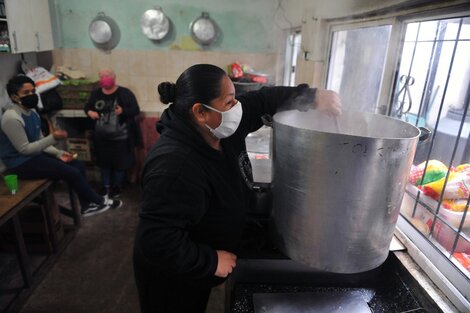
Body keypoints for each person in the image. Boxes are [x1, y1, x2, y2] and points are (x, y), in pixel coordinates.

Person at [133, 64, 342, 313]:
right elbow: (156, 241)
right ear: (200, 112)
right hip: (171, 277)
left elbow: (262, 100)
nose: (237, 108)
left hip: (198, 262)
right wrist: (210, 262)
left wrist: (312, 96)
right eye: (229, 102)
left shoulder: (218, 128)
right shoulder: (174, 167)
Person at [0, 75, 122, 216]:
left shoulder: (32, 113)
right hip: (19, 163)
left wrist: (59, 153)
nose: (32, 95)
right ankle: (100, 201)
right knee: (71, 172)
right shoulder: (11, 118)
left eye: (33, 91)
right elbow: (25, 149)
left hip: (34, 156)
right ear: (15, 97)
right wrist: (53, 138)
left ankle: (86, 206)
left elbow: (39, 141)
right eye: (26, 93)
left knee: (77, 165)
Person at [84, 69, 140, 199]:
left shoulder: (125, 93)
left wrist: (123, 111)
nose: (104, 78)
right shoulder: (95, 94)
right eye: (101, 76)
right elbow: (87, 107)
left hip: (121, 137)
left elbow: (135, 110)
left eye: (107, 76)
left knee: (120, 163)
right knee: (104, 163)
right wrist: (90, 112)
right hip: (101, 137)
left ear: (114, 77)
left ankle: (117, 186)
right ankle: (106, 186)